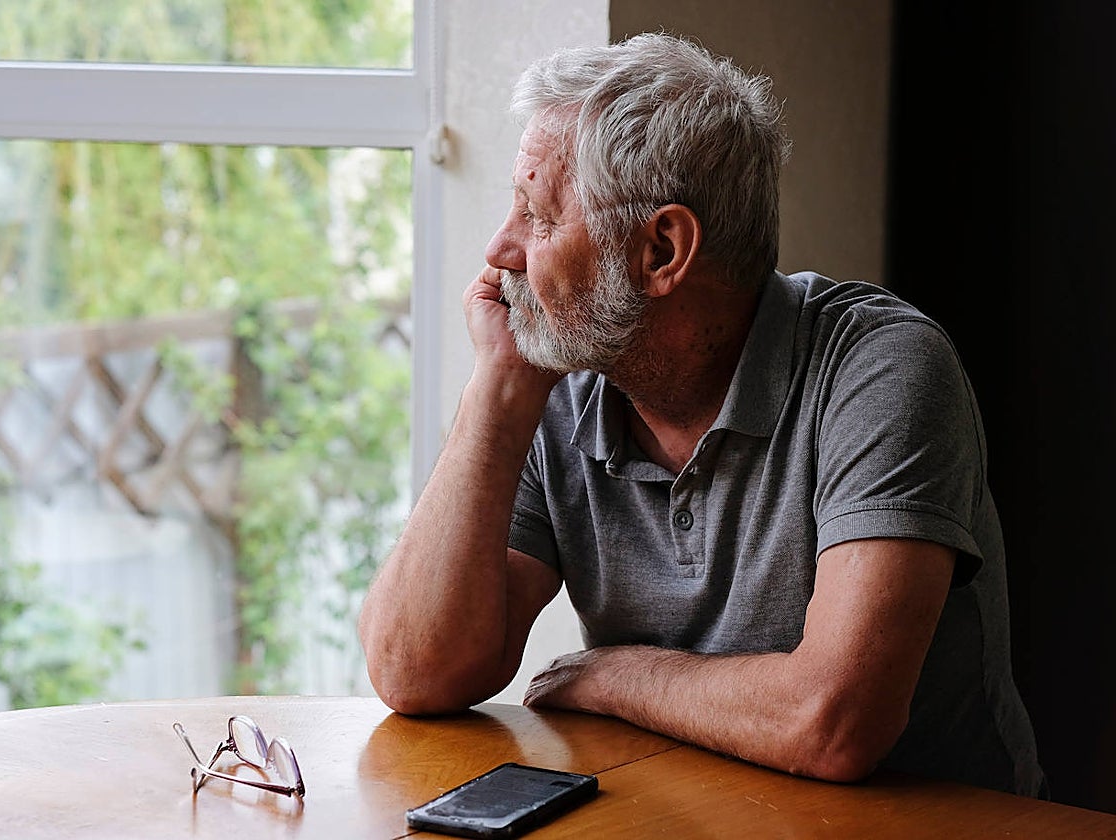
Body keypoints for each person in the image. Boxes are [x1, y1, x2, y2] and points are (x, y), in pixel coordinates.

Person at [357, 31, 1046, 797]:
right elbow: (415, 671)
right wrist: (496, 391)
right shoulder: (564, 380)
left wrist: (611, 674)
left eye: (538, 214)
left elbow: (833, 721)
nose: (500, 246)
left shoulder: (881, 368)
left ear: (662, 250)